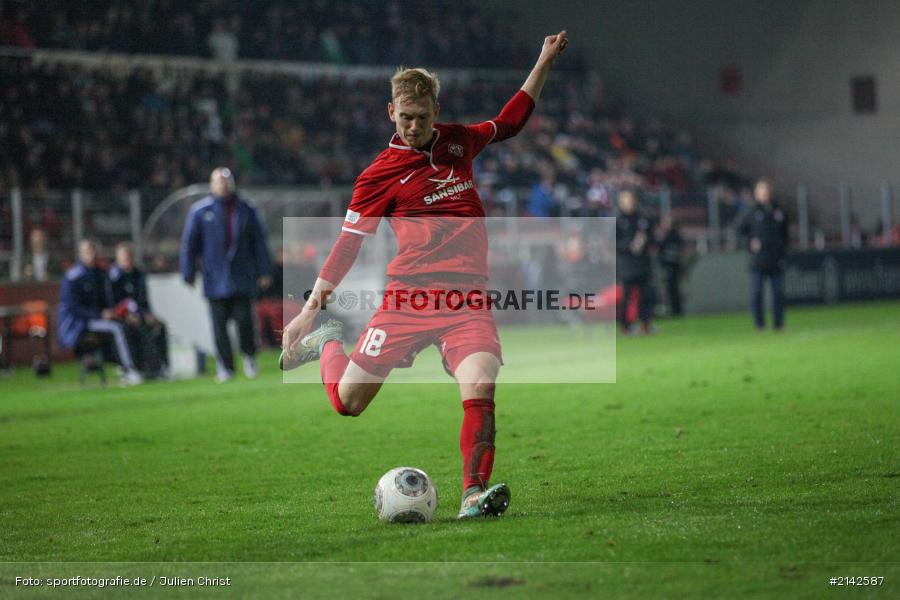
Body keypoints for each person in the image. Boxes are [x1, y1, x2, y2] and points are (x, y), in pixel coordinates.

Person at [280, 31, 570, 520]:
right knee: (348, 402)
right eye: (404, 117)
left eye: (421, 117)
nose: (413, 126)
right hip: (408, 300)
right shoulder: (378, 175)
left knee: (481, 382)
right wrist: (311, 311)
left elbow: (510, 121)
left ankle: (473, 494)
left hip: (466, 300)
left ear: (436, 111)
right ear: (390, 112)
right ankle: (329, 341)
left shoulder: (459, 141)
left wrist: (543, 60)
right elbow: (348, 244)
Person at [180, 167, 273, 382]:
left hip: (242, 276)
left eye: (225, 181)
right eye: (218, 181)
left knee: (245, 322)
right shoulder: (200, 211)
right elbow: (189, 245)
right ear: (211, 185)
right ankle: (226, 366)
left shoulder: (246, 208)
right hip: (214, 278)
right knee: (219, 326)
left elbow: (259, 241)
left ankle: (249, 357)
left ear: (232, 184)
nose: (222, 185)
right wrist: (188, 272)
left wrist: (264, 270)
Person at [58, 240, 143, 385]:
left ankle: (144, 365)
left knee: (129, 324)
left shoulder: (101, 273)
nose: (91, 255)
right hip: (80, 323)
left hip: (98, 318)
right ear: (80, 254)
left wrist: (115, 312)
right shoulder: (73, 276)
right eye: (87, 252)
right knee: (116, 328)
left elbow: (108, 298)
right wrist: (100, 314)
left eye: (93, 251)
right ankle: (128, 369)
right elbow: (74, 308)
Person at [109, 242, 170, 377]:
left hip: (139, 314)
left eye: (128, 256)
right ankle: (131, 367)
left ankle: (163, 365)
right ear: (118, 259)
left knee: (159, 325)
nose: (126, 259)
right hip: (122, 316)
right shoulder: (113, 277)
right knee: (133, 328)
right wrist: (126, 315)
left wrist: (148, 314)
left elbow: (143, 300)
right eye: (123, 257)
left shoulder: (139, 275)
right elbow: (112, 303)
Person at [738, 178, 788, 330]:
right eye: (761, 190)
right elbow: (740, 232)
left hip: (776, 259)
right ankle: (759, 324)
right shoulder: (751, 212)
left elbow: (785, 234)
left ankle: (779, 323)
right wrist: (750, 243)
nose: (764, 193)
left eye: (766, 190)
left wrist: (782, 250)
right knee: (757, 292)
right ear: (756, 193)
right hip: (757, 260)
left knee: (778, 292)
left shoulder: (778, 211)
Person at [615, 189, 656, 334]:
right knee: (626, 296)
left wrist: (644, 241)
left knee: (646, 295)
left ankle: (646, 324)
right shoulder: (618, 221)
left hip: (643, 262)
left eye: (629, 200)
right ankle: (626, 326)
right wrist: (629, 246)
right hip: (626, 264)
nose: (628, 204)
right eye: (624, 201)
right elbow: (614, 243)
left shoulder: (643, 219)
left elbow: (652, 238)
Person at [657, 216, 684, 316]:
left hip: (670, 265)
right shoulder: (677, 236)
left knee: (672, 289)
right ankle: (676, 309)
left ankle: (675, 310)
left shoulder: (669, 236)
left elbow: (661, 250)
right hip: (674, 265)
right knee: (674, 289)